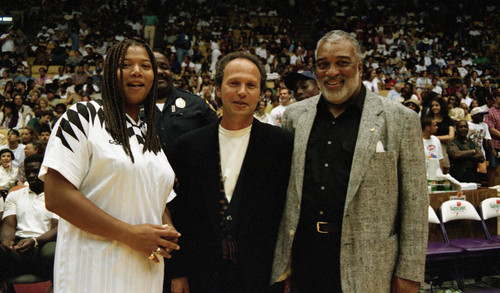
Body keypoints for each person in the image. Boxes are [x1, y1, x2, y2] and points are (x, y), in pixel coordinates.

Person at [272, 30, 428, 293]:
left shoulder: (400, 119)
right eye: (323, 64)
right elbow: (286, 196)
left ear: (359, 66)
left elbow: (415, 203)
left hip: (371, 265)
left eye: (342, 62)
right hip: (305, 259)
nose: (332, 72)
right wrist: (283, 264)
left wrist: (409, 272)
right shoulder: (294, 117)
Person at [40, 38, 180, 293]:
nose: (136, 71)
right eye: (125, 65)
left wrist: (165, 229)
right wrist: (130, 234)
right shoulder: (82, 116)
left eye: (145, 66)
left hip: (144, 274)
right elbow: (56, 196)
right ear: (109, 74)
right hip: (92, 274)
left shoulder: (149, 135)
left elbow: (158, 202)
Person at [169, 51, 293, 293]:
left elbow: (290, 213)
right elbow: (177, 213)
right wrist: (178, 270)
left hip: (262, 277)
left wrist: (288, 270)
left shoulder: (282, 145)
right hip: (201, 275)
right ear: (217, 88)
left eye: (251, 85)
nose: (242, 92)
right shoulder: (187, 146)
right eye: (233, 83)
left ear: (260, 93)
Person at [149, 51, 217, 160]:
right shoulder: (132, 107)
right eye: (152, 68)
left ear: (171, 71)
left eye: (164, 67)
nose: (159, 71)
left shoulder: (196, 103)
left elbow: (218, 139)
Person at [0, 154, 58, 282]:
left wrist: (35, 241)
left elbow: (56, 229)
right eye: (28, 172)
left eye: (36, 172)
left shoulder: (57, 195)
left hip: (44, 244)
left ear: (45, 172)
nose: (31, 175)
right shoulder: (15, 195)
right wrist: (6, 241)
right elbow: (8, 225)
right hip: (19, 245)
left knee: (52, 252)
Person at [485, 89, 500, 186]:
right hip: (494, 144)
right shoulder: (490, 112)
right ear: (494, 98)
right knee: (493, 168)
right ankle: (492, 192)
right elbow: (490, 129)